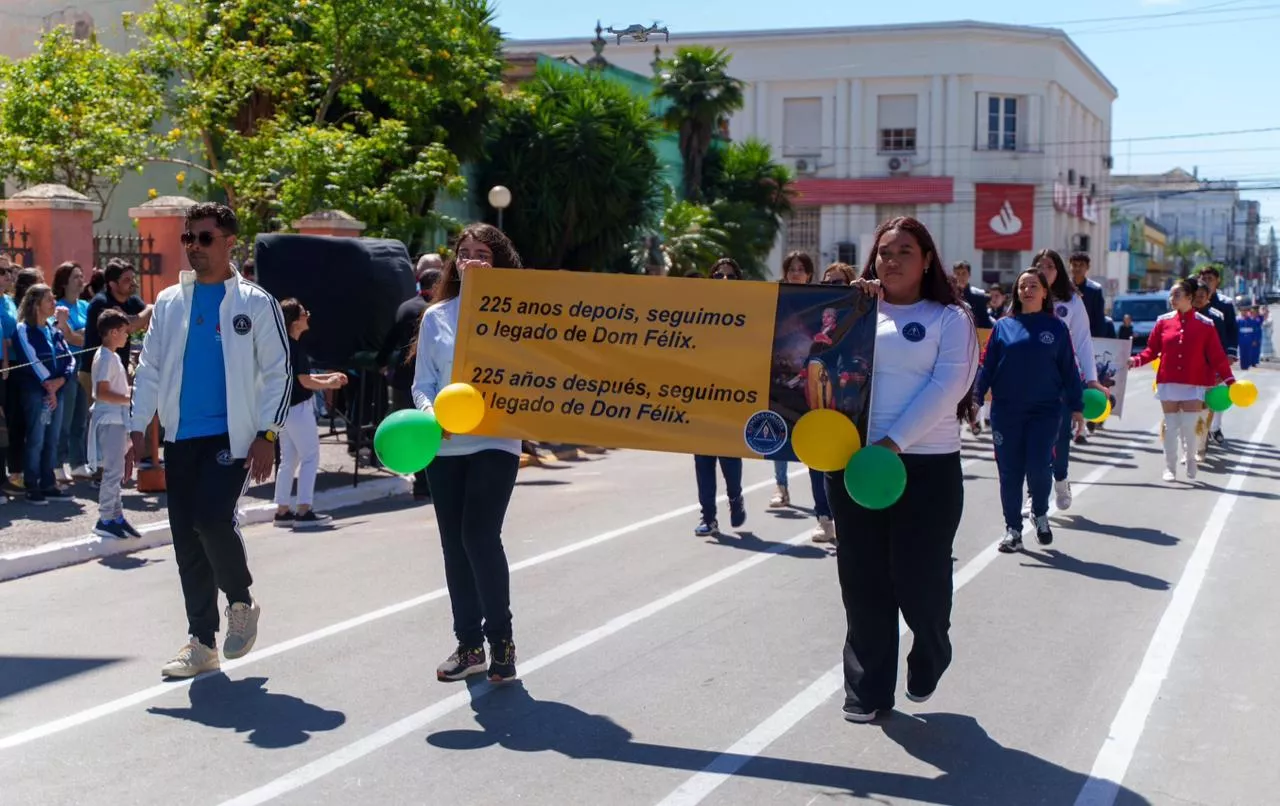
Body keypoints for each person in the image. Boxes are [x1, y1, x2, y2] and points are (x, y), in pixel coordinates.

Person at [128, 202, 291, 678]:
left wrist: (266, 433)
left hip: (232, 436)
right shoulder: (170, 302)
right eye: (188, 238)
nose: (194, 247)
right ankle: (202, 643)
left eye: (204, 238)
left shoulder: (255, 302)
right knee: (187, 541)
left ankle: (240, 601)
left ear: (229, 243)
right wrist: (137, 425)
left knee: (211, 519)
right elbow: (150, 367)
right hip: (181, 437)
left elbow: (279, 372)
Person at [832, 216, 979, 723]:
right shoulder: (854, 311)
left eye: (904, 252)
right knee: (862, 579)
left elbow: (948, 387)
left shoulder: (951, 317)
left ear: (928, 260)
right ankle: (867, 690)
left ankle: (931, 651)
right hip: (855, 465)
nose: (891, 261)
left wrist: (892, 445)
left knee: (921, 580)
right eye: (884, 252)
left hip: (926, 467)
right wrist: (847, 307)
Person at [412, 223, 524, 684]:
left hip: (497, 441)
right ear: (454, 263)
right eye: (465, 253)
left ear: (499, 263)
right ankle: (469, 645)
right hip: (445, 446)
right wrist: (430, 415)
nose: (472, 260)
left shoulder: (520, 316)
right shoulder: (435, 317)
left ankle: (502, 641)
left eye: (483, 253)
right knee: (454, 545)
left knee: (479, 536)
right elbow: (422, 383)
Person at [975, 268, 1084, 552]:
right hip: (1006, 411)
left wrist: (1077, 407)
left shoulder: (1057, 328)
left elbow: (1069, 370)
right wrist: (975, 399)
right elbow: (987, 366)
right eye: (1022, 286)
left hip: (1045, 411)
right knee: (1009, 471)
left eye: (1034, 285)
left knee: (1038, 466)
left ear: (1045, 292)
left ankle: (1040, 513)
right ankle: (1013, 529)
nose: (1027, 290)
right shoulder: (1003, 326)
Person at [1130, 277, 1235, 482]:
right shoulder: (1162, 321)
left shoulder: (1206, 324)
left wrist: (1230, 380)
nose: (1172, 298)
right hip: (1168, 381)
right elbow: (1151, 350)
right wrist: (1135, 360)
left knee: (1189, 426)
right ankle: (1169, 467)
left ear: (1189, 297)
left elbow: (1217, 356)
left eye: (1177, 295)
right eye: (1171, 295)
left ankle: (1191, 459)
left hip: (1193, 382)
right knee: (1171, 427)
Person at [768, 251, 835, 543]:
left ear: (810, 274)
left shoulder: (820, 302)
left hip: (815, 385)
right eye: (791, 268)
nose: (796, 272)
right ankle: (781, 486)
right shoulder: (775, 298)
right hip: (781, 384)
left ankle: (826, 517)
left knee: (817, 454)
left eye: (801, 268)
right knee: (778, 437)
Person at [1030, 249, 1104, 500]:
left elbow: (1083, 341)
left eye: (1049, 266)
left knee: (1059, 435)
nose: (1044, 271)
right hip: (1028, 377)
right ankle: (1033, 492)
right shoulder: (1024, 295)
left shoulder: (1072, 301)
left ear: (1058, 271)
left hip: (1062, 378)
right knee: (1032, 436)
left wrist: (1091, 379)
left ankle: (1060, 477)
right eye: (1039, 266)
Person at [272, 298, 348, 529]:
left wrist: (329, 377)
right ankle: (304, 510)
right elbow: (305, 381)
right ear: (295, 321)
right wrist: (329, 383)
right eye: (304, 313)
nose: (308, 316)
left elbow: (302, 377)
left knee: (289, 459)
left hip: (284, 409)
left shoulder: (283, 344)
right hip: (298, 408)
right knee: (310, 457)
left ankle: (282, 510)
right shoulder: (295, 347)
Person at [691, 258, 748, 537]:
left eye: (730, 276)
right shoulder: (698, 310)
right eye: (718, 275)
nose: (724, 279)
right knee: (703, 459)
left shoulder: (749, 311)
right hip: (700, 396)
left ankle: (735, 498)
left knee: (728, 456)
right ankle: (708, 517)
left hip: (731, 396)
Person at [380, 253, 442, 501]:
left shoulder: (405, 308)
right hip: (432, 383)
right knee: (432, 434)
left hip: (404, 380)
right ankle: (432, 483)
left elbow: (390, 341)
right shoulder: (438, 312)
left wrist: (380, 363)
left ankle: (420, 483)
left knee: (411, 433)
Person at [13, 283, 77, 504]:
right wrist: (49, 385)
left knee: (52, 438)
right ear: (35, 304)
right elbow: (31, 359)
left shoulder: (53, 329)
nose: (54, 303)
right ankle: (32, 484)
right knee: (36, 438)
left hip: (56, 390)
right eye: (49, 299)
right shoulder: (23, 329)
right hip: (35, 391)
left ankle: (48, 483)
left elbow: (69, 358)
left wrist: (61, 381)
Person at [88, 309, 140, 539]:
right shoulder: (105, 357)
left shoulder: (113, 356)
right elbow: (101, 392)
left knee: (116, 470)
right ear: (113, 332)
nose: (127, 336)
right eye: (124, 332)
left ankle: (116, 516)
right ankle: (105, 518)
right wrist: (131, 397)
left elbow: (116, 389)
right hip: (109, 419)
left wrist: (133, 391)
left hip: (117, 419)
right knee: (112, 471)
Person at [52, 262, 93, 481]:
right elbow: (66, 337)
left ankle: (78, 462)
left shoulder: (86, 306)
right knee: (65, 418)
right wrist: (78, 335)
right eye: (75, 277)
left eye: (81, 275)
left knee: (81, 417)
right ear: (64, 282)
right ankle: (57, 464)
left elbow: (91, 336)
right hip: (66, 365)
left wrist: (77, 334)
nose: (81, 280)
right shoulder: (58, 307)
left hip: (84, 364)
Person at [1195, 265, 1237, 445]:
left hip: (1219, 355)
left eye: (1210, 279)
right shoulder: (1191, 301)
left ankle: (1215, 427)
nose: (1207, 282)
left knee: (1218, 393)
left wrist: (1230, 353)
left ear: (1217, 281)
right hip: (1197, 358)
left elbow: (1232, 329)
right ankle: (1199, 432)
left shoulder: (1225, 304)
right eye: (1204, 278)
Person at [951, 261, 993, 329]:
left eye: (964, 273)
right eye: (958, 274)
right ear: (953, 276)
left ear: (969, 274)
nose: (961, 277)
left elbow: (985, 323)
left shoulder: (979, 296)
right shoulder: (950, 296)